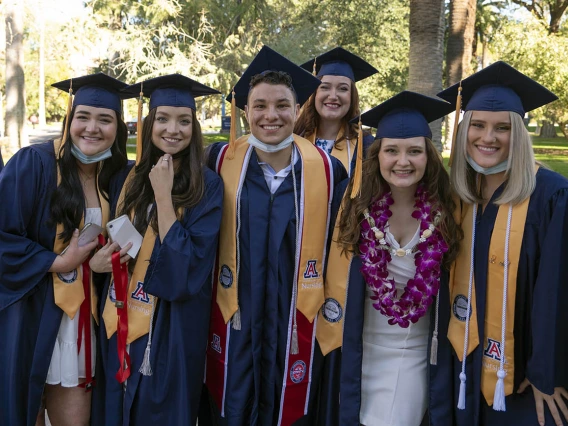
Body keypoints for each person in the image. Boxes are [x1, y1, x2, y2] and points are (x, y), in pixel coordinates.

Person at [201, 45, 347, 426]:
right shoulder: (218, 162)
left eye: (282, 105)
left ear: (298, 109)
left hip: (295, 315)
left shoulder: (328, 173)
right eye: (259, 106)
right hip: (234, 312)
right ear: (245, 111)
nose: (271, 115)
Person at [432, 61, 568, 426]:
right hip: (462, 363)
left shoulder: (552, 196)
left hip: (521, 376)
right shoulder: (458, 197)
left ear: (519, 134)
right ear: (464, 132)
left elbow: (557, 292)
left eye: (502, 128)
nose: (487, 137)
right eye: (477, 125)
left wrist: (547, 373)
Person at [316, 91, 461, 425]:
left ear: (429, 156)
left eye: (414, 151)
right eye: (391, 151)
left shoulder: (448, 211)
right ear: (376, 155)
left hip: (414, 352)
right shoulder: (352, 205)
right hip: (358, 348)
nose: (403, 161)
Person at [90, 74, 223, 426]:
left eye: (184, 121)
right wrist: (98, 263)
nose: (172, 129)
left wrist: (164, 196)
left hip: (171, 328)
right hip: (119, 319)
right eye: (162, 118)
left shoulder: (207, 185)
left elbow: (186, 268)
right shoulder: (129, 178)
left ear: (194, 127)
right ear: (149, 124)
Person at [0, 73, 129, 426]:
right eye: (83, 117)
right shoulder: (34, 165)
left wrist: (107, 262)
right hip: (29, 315)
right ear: (69, 120)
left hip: (80, 327)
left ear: (119, 128)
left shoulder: (117, 177)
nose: (92, 128)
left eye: (105, 119)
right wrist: (57, 261)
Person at [294, 47, 377, 176]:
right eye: (325, 87)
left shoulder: (366, 146)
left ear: (352, 97)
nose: (333, 96)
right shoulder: (295, 137)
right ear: (314, 93)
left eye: (342, 89)